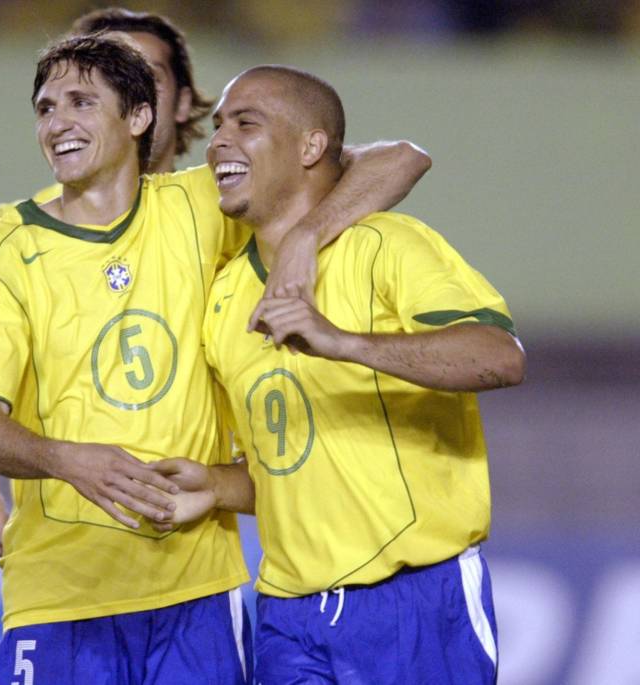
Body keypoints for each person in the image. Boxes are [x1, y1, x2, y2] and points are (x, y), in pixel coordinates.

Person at [0, 35, 429, 683]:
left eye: (81, 102)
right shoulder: (1, 251)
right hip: (60, 595)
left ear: (139, 118)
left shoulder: (200, 207)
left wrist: (308, 234)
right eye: (46, 108)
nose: (58, 123)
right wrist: (67, 459)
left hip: (197, 594)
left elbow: (400, 159)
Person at [153, 66, 526, 684]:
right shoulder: (222, 302)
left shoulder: (387, 245)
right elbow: (290, 465)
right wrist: (219, 487)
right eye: (218, 126)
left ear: (310, 146)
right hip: (287, 615)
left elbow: (500, 355)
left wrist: (343, 342)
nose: (219, 140)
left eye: (247, 123)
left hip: (414, 601)